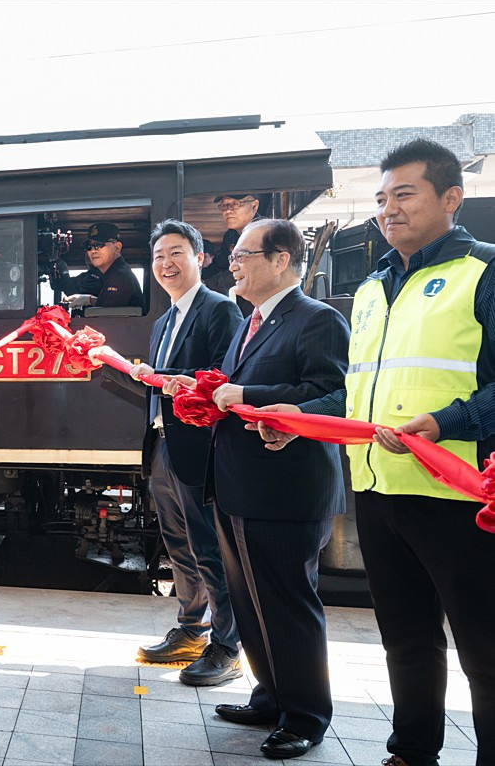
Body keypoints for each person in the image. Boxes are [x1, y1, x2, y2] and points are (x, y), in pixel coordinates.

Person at [252, 138, 495, 766]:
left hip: (461, 495)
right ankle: (411, 752)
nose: (389, 210)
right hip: (381, 488)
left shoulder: (484, 273)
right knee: (406, 639)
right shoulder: (371, 289)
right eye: (382, 199)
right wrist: (301, 420)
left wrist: (446, 422)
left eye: (404, 195)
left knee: (484, 649)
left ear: (452, 197)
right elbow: (357, 393)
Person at [175, 218, 349, 759]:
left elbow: (333, 394)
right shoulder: (250, 321)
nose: (233, 265)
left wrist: (246, 394)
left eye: (243, 255)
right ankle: (271, 696)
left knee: (288, 605)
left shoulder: (317, 319)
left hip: (286, 490)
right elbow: (236, 391)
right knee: (252, 603)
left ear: (280, 260)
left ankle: (306, 716)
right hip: (239, 486)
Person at [129, 220, 243, 686]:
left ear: (200, 258)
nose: (166, 264)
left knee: (208, 546)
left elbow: (225, 375)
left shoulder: (220, 310)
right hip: (163, 443)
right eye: (158, 256)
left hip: (198, 447)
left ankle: (228, 646)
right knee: (178, 544)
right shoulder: (163, 322)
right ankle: (192, 629)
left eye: (176, 253)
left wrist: (175, 378)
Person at [60, 223, 145, 310]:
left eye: (99, 245)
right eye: (89, 247)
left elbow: (106, 312)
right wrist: (89, 300)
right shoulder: (113, 273)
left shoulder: (119, 276)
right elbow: (107, 305)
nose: (93, 251)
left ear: (117, 248)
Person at [211, 193, 262, 315]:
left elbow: (251, 272)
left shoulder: (266, 234)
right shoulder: (230, 236)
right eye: (224, 205)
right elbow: (219, 265)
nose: (228, 211)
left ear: (254, 206)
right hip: (241, 304)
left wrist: (212, 283)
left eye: (235, 204)